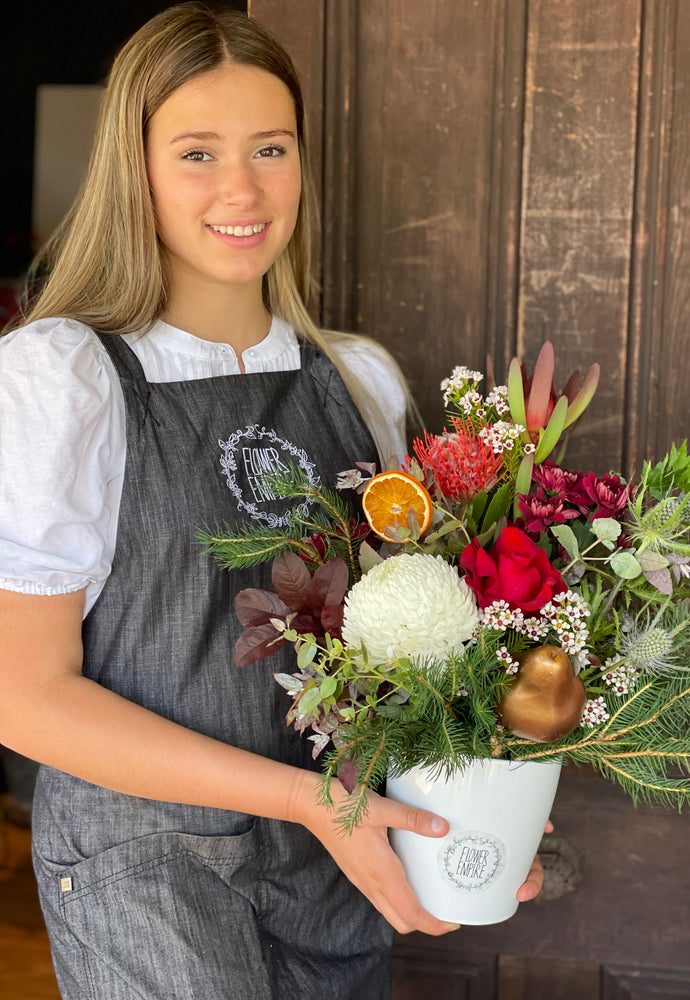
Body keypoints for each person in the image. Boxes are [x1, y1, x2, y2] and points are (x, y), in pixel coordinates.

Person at [0, 5, 547, 998]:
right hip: (149, 876)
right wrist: (313, 799)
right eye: (198, 152)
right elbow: (22, 696)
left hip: (330, 875)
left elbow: (402, 661)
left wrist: (481, 801)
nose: (242, 188)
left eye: (270, 147)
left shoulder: (359, 381)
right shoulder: (64, 378)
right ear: (137, 169)